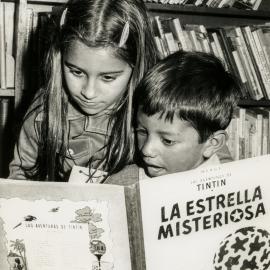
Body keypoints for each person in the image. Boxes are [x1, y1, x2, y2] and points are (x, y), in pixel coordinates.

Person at [8, 0, 158, 181]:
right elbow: (21, 176)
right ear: (59, 58)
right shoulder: (42, 112)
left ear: (137, 67)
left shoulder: (153, 115)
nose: (89, 93)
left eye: (108, 77)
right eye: (76, 72)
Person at [106, 50, 241, 184]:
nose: (147, 150)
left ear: (212, 144)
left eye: (167, 141)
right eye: (142, 132)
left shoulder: (238, 184)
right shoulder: (121, 183)